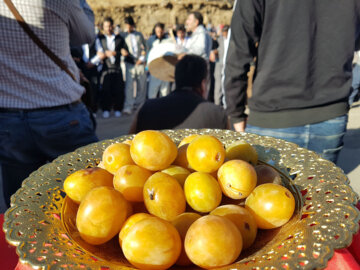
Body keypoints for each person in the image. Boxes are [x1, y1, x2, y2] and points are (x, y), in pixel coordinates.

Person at [224, 0, 360, 164]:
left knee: (271, 187)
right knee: (319, 188)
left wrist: (236, 113)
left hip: (274, 116)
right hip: (330, 116)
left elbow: (238, 51)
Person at [0, 0, 98, 207]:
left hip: (8, 118)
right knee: (89, 197)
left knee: (23, 204)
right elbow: (87, 35)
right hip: (61, 113)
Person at [130, 54, 228, 133]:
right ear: (203, 84)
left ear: (175, 79)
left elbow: (129, 146)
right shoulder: (218, 114)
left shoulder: (146, 108)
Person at [94, 17, 129, 118]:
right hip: (105, 68)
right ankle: (106, 109)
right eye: (106, 26)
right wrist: (105, 54)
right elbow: (96, 51)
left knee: (118, 89)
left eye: (110, 26)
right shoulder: (100, 39)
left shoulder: (119, 38)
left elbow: (124, 51)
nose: (108, 28)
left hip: (117, 67)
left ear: (112, 26)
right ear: (103, 27)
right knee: (106, 89)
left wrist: (116, 53)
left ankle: (118, 109)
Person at [121, 16, 147, 115]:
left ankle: (140, 105)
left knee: (142, 84)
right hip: (129, 63)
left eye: (129, 26)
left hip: (139, 62)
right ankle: (128, 106)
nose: (128, 28)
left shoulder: (139, 35)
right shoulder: (123, 36)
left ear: (132, 26)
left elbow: (145, 47)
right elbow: (119, 46)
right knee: (129, 86)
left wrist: (142, 58)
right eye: (126, 26)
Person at [146, 22, 172, 99]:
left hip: (165, 70)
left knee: (165, 92)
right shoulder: (151, 40)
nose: (159, 34)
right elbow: (148, 53)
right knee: (152, 92)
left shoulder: (168, 40)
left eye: (161, 32)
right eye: (157, 32)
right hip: (155, 69)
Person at [213, 25, 229, 106]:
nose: (225, 33)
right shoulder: (219, 40)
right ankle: (217, 104)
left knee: (227, 86)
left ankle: (227, 105)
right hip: (219, 65)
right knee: (218, 87)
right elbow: (214, 49)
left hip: (228, 65)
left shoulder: (231, 41)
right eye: (224, 31)